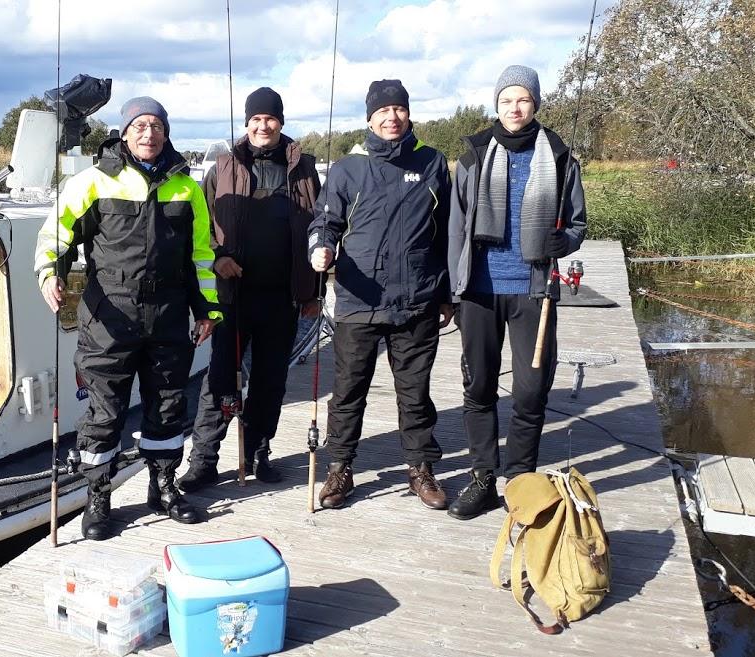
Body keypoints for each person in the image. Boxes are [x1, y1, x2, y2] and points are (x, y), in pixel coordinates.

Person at [35, 96, 221, 541]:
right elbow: (56, 236)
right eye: (139, 125)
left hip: (169, 316)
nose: (148, 133)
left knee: (168, 405)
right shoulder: (93, 182)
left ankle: (163, 485)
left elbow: (200, 256)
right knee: (104, 412)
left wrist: (207, 308)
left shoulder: (187, 188)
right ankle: (98, 498)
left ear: (166, 132)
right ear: (124, 132)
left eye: (156, 125)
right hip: (108, 317)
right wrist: (48, 273)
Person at [446, 65, 587, 520]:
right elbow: (454, 226)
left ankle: (520, 479)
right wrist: (453, 289)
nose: (515, 107)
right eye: (507, 99)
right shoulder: (472, 154)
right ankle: (483, 477)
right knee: (480, 386)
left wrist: (563, 242)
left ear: (536, 104)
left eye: (523, 99)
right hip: (480, 291)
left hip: (534, 289)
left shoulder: (561, 156)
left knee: (530, 390)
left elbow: (578, 223)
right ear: (496, 104)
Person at [308, 79, 453, 511]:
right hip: (358, 301)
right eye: (383, 111)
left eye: (399, 110)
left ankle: (421, 468)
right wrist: (320, 246)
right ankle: (339, 468)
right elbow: (325, 221)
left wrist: (446, 295)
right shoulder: (346, 169)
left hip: (418, 301)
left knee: (415, 392)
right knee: (348, 391)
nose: (392, 117)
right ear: (369, 118)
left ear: (409, 114)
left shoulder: (432, 163)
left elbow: (447, 234)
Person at [176, 87, 322, 492]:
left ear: (281, 122)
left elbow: (320, 230)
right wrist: (219, 257)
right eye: (256, 119)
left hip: (283, 297)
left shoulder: (304, 170)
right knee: (220, 380)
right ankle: (204, 460)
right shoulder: (222, 166)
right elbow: (198, 229)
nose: (263, 125)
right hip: (234, 296)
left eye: (270, 118)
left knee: (270, 381)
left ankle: (257, 452)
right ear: (247, 123)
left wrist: (312, 292)